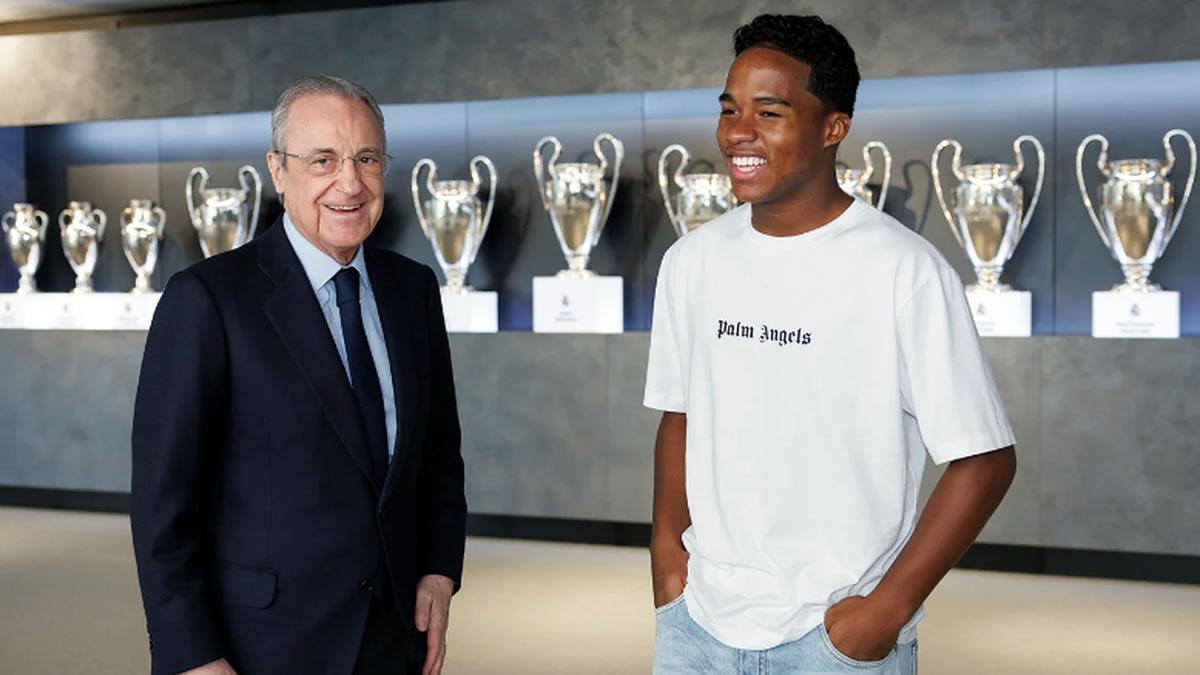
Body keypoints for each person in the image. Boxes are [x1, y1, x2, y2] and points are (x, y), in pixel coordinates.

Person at [645, 14, 1016, 674]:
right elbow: (680, 415)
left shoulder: (903, 270)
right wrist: (668, 565)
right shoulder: (691, 262)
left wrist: (885, 610)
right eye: (729, 109)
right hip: (697, 626)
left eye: (769, 111)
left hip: (834, 639)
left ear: (833, 127)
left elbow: (984, 459)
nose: (738, 133)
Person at [131, 75, 466, 675]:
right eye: (323, 160)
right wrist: (191, 654)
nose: (350, 183)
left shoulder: (413, 289)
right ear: (278, 172)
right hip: (260, 646)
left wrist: (440, 570)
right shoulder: (207, 300)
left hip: (393, 639)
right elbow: (164, 502)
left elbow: (438, 455)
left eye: (366, 159)